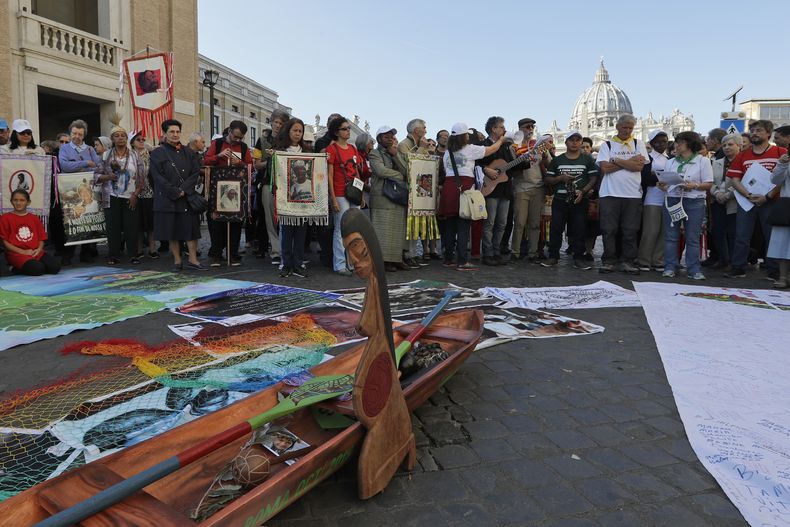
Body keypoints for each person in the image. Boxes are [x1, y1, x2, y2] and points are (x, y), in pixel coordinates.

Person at [437, 122, 505, 271]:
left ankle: (448, 259)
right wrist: (501, 140)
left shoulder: (448, 152)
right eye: (467, 134)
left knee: (449, 226)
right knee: (463, 225)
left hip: (449, 187)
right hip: (464, 187)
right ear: (464, 136)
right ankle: (462, 261)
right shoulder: (470, 149)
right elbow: (492, 149)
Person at [725, 119, 787, 279]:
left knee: (771, 236)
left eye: (759, 130)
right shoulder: (743, 155)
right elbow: (734, 179)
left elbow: (783, 179)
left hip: (771, 202)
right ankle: (738, 267)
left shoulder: (780, 152)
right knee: (741, 235)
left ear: (768, 133)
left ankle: (773, 270)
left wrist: (767, 197)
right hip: (747, 201)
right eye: (753, 131)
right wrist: (748, 195)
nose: (754, 133)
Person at [596, 114, 651, 274]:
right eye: (624, 127)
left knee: (630, 230)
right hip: (609, 194)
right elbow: (604, 169)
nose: (627, 130)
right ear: (617, 127)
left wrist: (616, 160)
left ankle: (628, 261)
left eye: (630, 128)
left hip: (632, 194)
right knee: (609, 229)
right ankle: (608, 261)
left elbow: (639, 167)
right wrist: (629, 161)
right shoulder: (607, 145)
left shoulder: (638, 144)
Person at [150, 119, 205, 271]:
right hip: (169, 198)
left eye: (177, 132)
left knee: (191, 231)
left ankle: (193, 260)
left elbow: (195, 172)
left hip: (187, 197)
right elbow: (157, 176)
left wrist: (184, 190)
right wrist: (174, 191)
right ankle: (177, 261)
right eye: (171, 132)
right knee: (172, 231)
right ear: (165, 133)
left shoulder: (189, 152)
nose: (175, 135)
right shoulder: (157, 153)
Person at [657, 132, 713, 280]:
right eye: (676, 142)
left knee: (692, 237)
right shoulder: (671, 162)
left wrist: (693, 185)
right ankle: (670, 266)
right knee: (671, 236)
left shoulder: (702, 161)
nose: (677, 145)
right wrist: (662, 185)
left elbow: (708, 184)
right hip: (673, 199)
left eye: (680, 142)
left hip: (694, 201)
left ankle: (693, 269)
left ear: (690, 143)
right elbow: (666, 182)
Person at [543, 131, 598, 269]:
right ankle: (553, 257)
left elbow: (593, 178)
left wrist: (583, 191)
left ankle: (578, 257)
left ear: (581, 142)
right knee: (556, 229)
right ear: (566, 142)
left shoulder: (587, 159)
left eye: (577, 140)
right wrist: (560, 178)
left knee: (579, 229)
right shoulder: (557, 160)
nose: (575, 142)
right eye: (571, 140)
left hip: (580, 199)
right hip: (560, 199)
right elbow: (548, 179)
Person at [94, 121, 144, 265]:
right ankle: (113, 255)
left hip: (130, 195)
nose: (121, 138)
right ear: (112, 139)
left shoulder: (135, 155)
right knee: (113, 227)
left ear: (126, 139)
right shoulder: (105, 156)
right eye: (117, 136)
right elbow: (96, 176)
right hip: (111, 196)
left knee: (131, 226)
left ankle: (133, 255)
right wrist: (109, 177)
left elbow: (141, 178)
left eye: (123, 135)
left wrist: (136, 194)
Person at [204, 120, 252, 267]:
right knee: (218, 221)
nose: (237, 140)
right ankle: (216, 255)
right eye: (235, 136)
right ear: (229, 131)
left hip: (237, 189)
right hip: (218, 189)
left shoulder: (243, 147)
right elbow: (206, 160)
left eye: (240, 138)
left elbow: (250, 166)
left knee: (236, 222)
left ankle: (233, 254)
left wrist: (239, 163)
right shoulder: (217, 143)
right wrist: (219, 156)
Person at [56, 119, 102, 264]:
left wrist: (78, 166)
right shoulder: (64, 149)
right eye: (74, 133)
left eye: (80, 134)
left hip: (87, 189)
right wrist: (85, 163)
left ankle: (86, 252)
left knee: (86, 220)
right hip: (68, 190)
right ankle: (68, 254)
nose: (77, 137)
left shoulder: (90, 149)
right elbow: (64, 165)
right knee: (70, 220)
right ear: (70, 133)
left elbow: (99, 166)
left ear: (84, 135)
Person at [273, 117, 312, 278]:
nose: (297, 134)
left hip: (303, 199)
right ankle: (285, 263)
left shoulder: (308, 153)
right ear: (288, 131)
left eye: (300, 131)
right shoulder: (280, 151)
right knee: (286, 232)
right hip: (286, 198)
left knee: (301, 232)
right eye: (295, 130)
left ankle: (298, 263)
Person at [369, 125, 410, 272]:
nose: (390, 139)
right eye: (386, 137)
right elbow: (380, 171)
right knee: (383, 231)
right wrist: (399, 176)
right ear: (379, 139)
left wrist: (396, 155)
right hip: (381, 196)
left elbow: (407, 170)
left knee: (397, 230)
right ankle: (384, 261)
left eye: (391, 137)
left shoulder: (396, 152)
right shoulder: (374, 153)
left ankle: (397, 259)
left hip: (397, 196)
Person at [479, 116, 519, 266]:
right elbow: (477, 163)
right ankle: (487, 253)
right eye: (501, 127)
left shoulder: (506, 146)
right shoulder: (483, 145)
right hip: (490, 189)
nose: (505, 130)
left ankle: (497, 251)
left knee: (502, 223)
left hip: (505, 189)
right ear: (493, 129)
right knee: (489, 222)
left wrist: (526, 159)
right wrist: (485, 169)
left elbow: (511, 166)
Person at [327, 115, 364, 276]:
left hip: (353, 192)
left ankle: (351, 262)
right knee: (340, 229)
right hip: (340, 193)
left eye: (349, 128)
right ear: (336, 132)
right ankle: (340, 264)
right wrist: (333, 198)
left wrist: (360, 194)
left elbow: (356, 172)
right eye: (345, 129)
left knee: (354, 229)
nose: (348, 131)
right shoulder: (332, 149)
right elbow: (329, 175)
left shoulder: (353, 149)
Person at [510, 118, 550, 262]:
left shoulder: (538, 145)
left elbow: (549, 164)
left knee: (534, 223)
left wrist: (545, 156)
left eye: (532, 126)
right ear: (520, 129)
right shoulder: (514, 146)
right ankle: (515, 252)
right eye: (527, 127)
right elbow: (511, 168)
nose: (530, 129)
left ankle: (533, 253)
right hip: (521, 188)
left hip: (538, 187)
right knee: (519, 222)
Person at [254, 109, 289, 263]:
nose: (278, 125)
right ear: (272, 122)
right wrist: (271, 161)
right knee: (270, 219)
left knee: (284, 220)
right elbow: (257, 165)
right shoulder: (261, 140)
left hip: (285, 186)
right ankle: (276, 251)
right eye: (276, 122)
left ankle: (286, 250)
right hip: (267, 183)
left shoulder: (288, 141)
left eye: (281, 123)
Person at [398, 118, 434, 267]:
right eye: (423, 128)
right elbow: (410, 166)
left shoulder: (420, 144)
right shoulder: (403, 145)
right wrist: (422, 149)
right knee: (408, 223)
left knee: (416, 223)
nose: (426, 130)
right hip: (408, 188)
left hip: (420, 188)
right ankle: (407, 253)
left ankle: (414, 253)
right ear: (415, 130)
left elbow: (425, 166)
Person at [0, 189, 61, 275]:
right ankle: (14, 268)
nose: (18, 203)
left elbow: (41, 239)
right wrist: (23, 252)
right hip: (16, 254)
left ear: (28, 202)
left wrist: (39, 250)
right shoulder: (5, 218)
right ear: (11, 201)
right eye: (15, 200)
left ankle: (34, 264)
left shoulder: (34, 218)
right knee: (38, 269)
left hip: (35, 252)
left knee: (55, 267)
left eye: (22, 200)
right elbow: (5, 242)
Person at [637, 130, 669, 272]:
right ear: (651, 144)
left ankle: (658, 260)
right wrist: (660, 177)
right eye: (658, 142)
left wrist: (656, 175)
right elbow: (644, 178)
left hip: (668, 199)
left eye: (664, 141)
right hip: (652, 199)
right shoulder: (648, 159)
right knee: (650, 231)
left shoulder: (671, 158)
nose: (661, 144)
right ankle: (644, 260)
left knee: (664, 231)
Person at [709, 133, 741, 270]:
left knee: (733, 233)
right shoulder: (716, 163)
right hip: (717, 200)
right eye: (724, 145)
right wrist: (717, 194)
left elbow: (744, 183)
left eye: (730, 144)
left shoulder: (743, 162)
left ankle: (734, 262)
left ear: (739, 145)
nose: (727, 148)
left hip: (735, 201)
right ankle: (723, 259)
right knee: (718, 231)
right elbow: (710, 182)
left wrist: (728, 195)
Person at [129, 131, 157, 259]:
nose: (142, 141)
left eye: (143, 139)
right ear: (132, 142)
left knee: (150, 224)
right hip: (134, 193)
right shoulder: (129, 156)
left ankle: (152, 248)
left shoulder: (150, 155)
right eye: (138, 139)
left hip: (149, 192)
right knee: (137, 224)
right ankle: (139, 249)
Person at [768, 151, 790, 288]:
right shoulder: (786, 160)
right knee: (783, 241)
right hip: (787, 204)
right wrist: (781, 164)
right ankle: (782, 276)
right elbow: (775, 180)